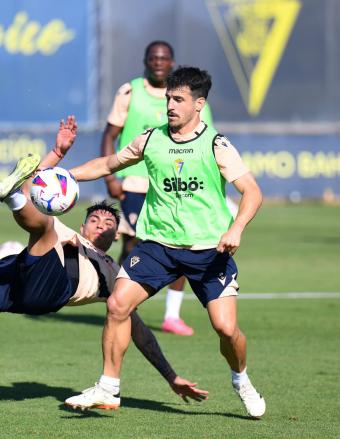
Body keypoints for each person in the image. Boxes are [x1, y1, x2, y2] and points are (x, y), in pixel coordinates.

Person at [0, 117, 208, 407]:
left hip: (50, 290)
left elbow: (139, 332)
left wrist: (171, 376)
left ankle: (12, 196)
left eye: (108, 223)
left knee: (45, 227)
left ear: (117, 235)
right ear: (83, 226)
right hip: (13, 277)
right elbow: (41, 185)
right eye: (94, 219)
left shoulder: (116, 275)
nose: (100, 225)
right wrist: (58, 152)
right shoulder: (68, 232)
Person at [64, 67, 266, 418]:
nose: (170, 105)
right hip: (156, 246)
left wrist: (236, 229)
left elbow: (252, 192)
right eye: (168, 99)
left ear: (198, 104)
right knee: (117, 306)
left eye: (178, 100)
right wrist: (67, 175)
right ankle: (108, 388)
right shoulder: (151, 139)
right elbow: (109, 163)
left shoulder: (216, 144)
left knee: (226, 329)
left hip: (208, 251)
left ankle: (241, 378)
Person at [102, 41, 214, 336]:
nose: (158, 63)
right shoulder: (131, 91)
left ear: (172, 62)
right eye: (153, 58)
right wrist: (111, 178)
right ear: (146, 61)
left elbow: (206, 141)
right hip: (135, 183)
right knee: (131, 245)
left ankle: (171, 315)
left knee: (180, 243)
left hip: (175, 185)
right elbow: (110, 134)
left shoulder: (192, 98)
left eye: (163, 58)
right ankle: (118, 300)